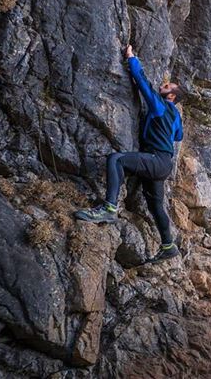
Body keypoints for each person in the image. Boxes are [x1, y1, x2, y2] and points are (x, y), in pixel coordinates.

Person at [74, 45, 184, 263]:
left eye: (167, 86)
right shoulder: (176, 116)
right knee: (154, 205)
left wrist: (131, 58)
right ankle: (168, 246)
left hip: (155, 159)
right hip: (162, 163)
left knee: (116, 159)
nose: (163, 84)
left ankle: (109, 208)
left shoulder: (161, 106)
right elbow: (178, 136)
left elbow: (143, 83)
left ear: (170, 95)